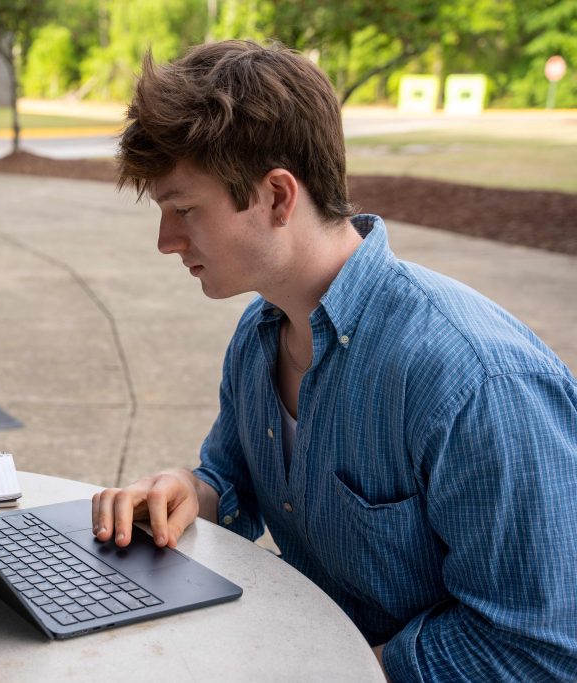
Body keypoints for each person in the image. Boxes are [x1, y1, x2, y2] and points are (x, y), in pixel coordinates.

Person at [91, 39, 577, 681]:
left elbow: (537, 646)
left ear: (277, 197)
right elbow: (232, 479)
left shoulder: (473, 379)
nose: (166, 241)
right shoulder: (261, 331)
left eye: (184, 210)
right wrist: (193, 491)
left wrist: (332, 668)